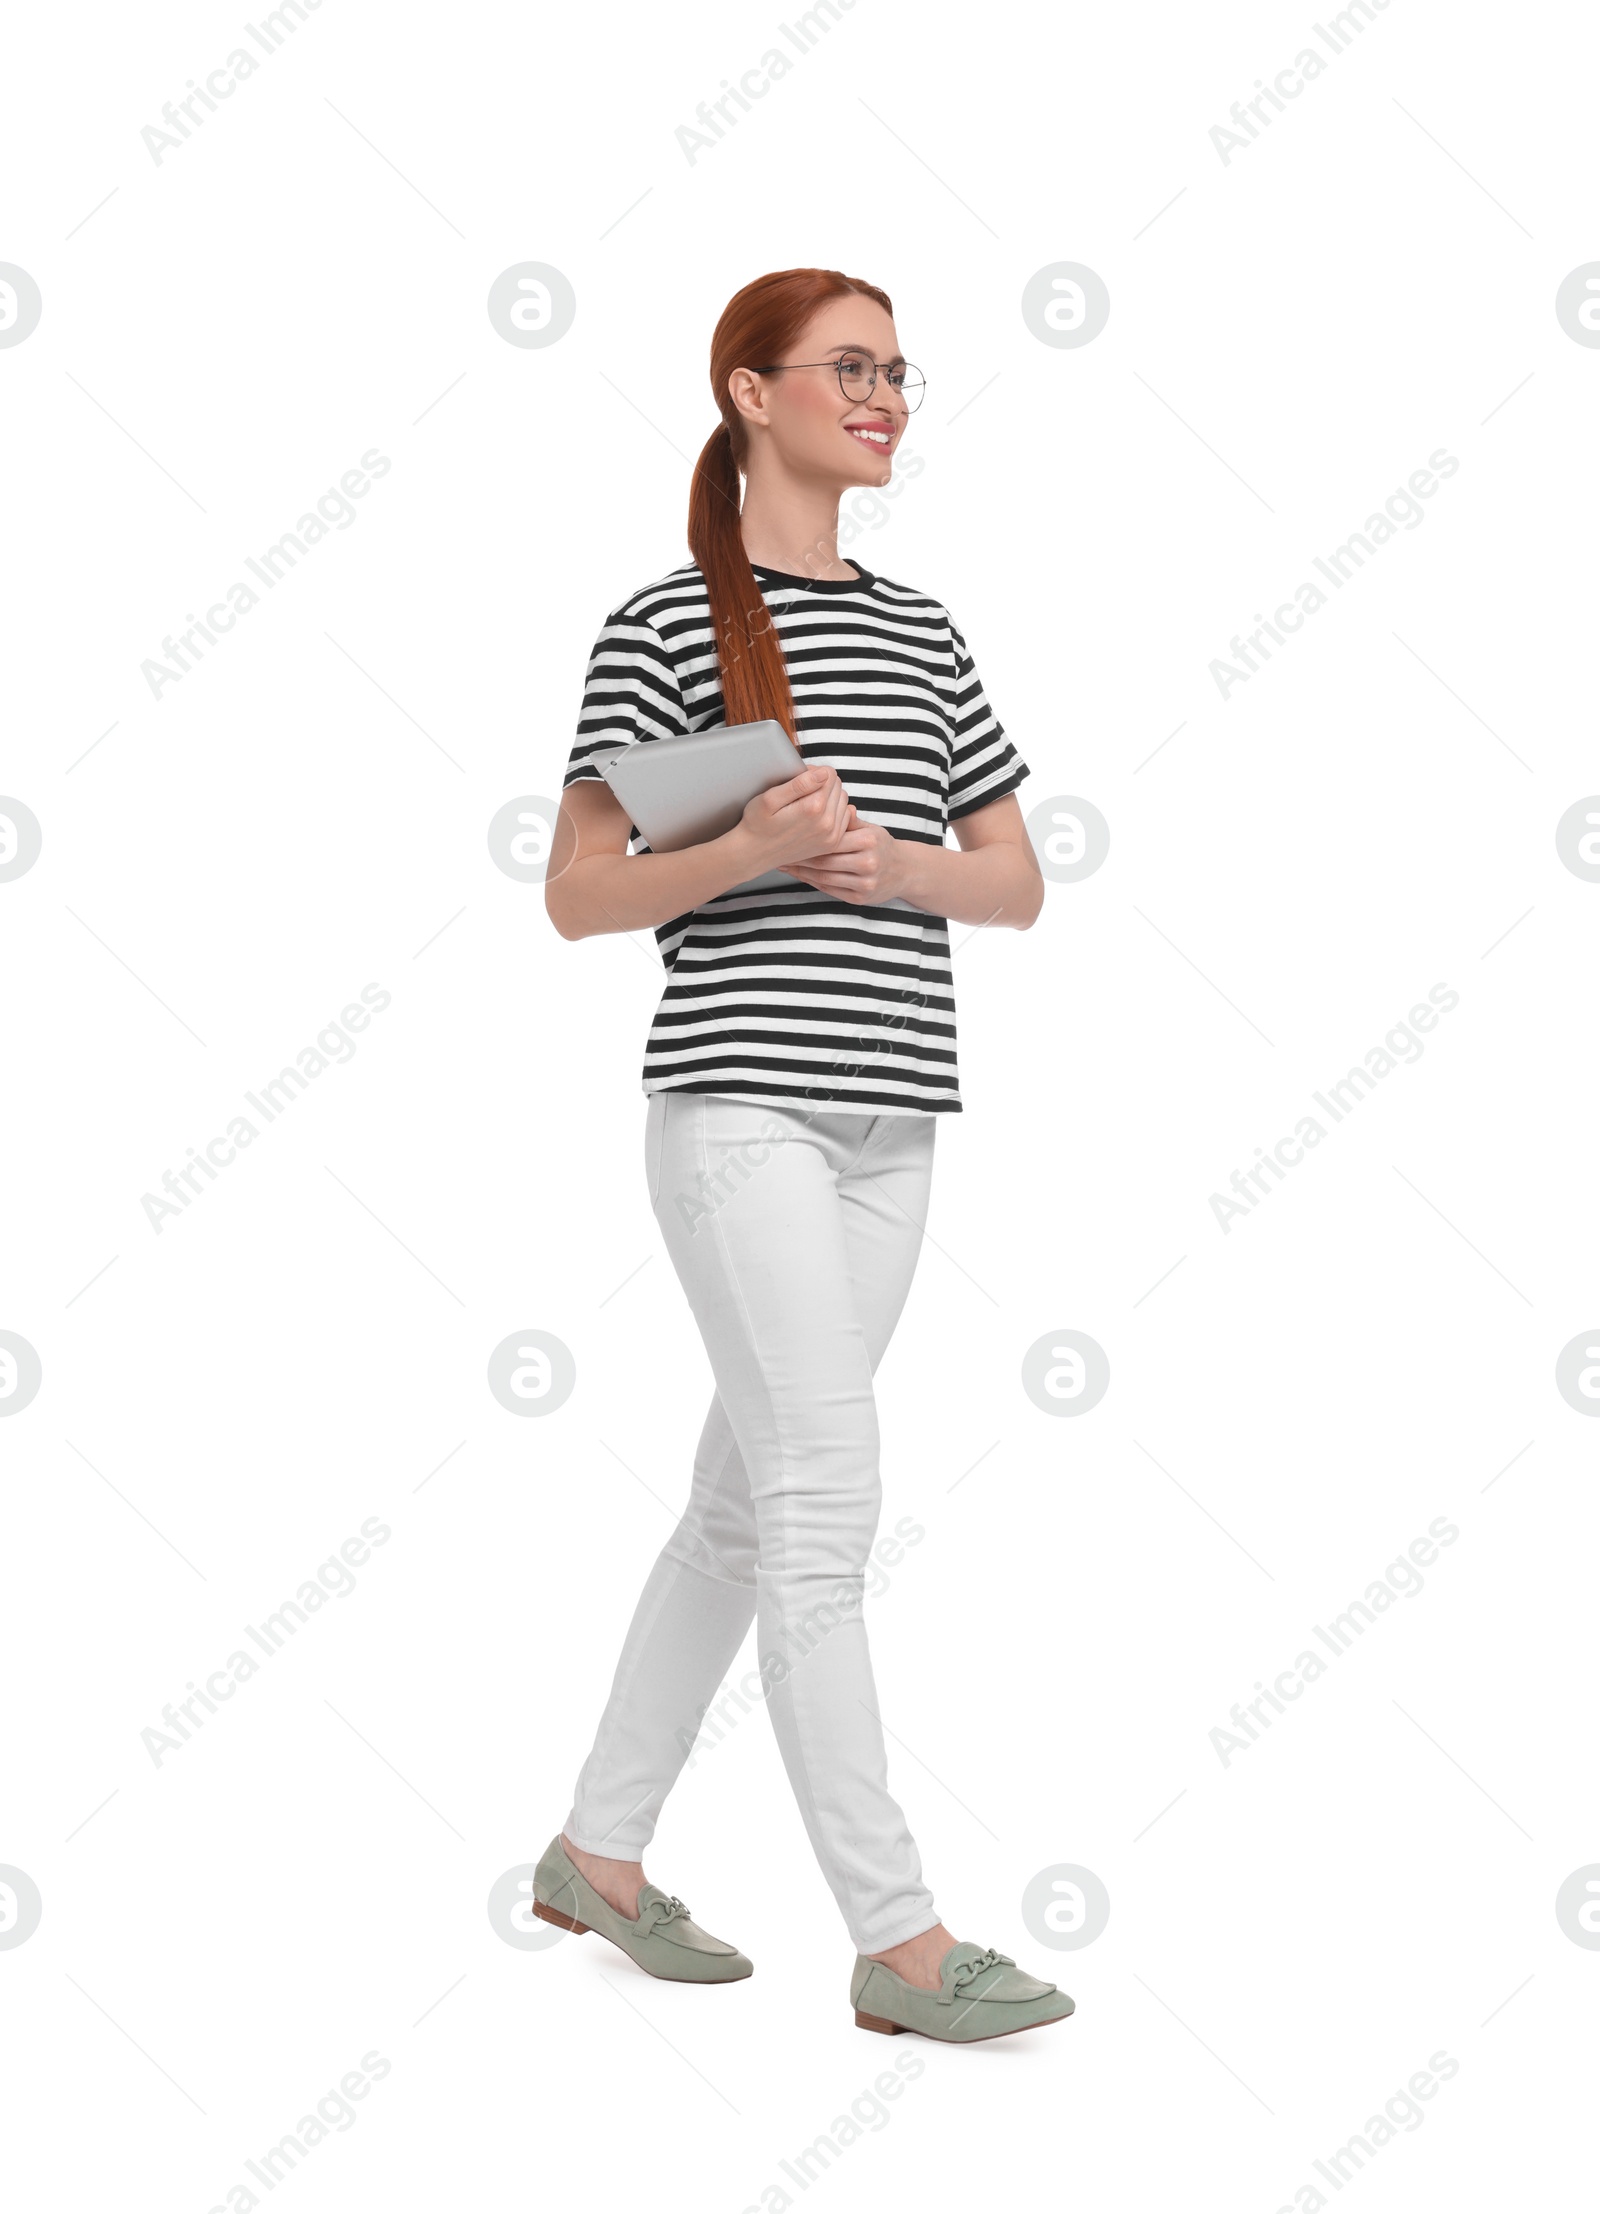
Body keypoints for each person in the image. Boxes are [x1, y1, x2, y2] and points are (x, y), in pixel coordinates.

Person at [536, 267, 1071, 2042]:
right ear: (750, 392)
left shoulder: (924, 629)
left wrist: (879, 864)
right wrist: (750, 844)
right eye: (852, 369)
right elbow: (580, 896)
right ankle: (903, 1941)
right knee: (828, 1509)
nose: (888, 397)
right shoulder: (667, 622)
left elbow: (1013, 879)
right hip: (739, 1109)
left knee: (743, 1506)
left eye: (900, 373)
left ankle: (596, 1858)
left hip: (893, 1121)